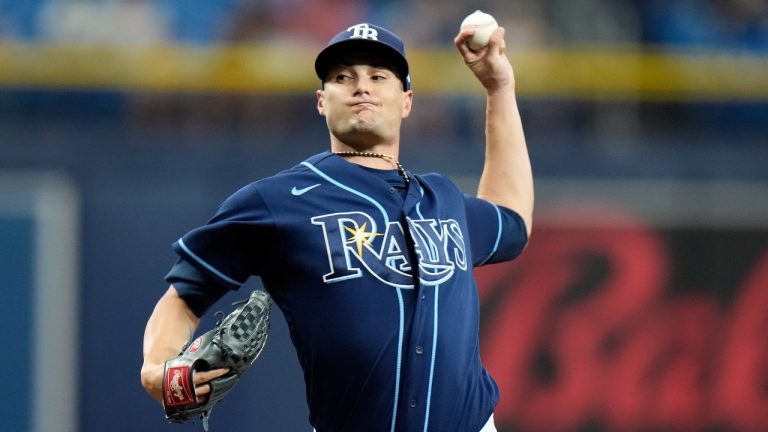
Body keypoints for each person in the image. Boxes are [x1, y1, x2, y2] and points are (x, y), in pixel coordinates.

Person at [141, 21, 533, 432]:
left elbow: (512, 219)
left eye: (378, 77)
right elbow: (184, 295)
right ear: (321, 101)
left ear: (407, 101)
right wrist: (156, 369)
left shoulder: (443, 200)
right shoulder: (277, 200)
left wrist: (499, 88)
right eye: (343, 77)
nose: (361, 87)